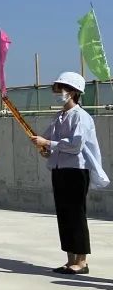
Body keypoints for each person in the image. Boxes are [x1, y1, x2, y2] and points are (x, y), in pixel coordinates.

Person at [32, 71, 109, 274]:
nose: (57, 93)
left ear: (73, 92)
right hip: (60, 169)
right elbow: (49, 141)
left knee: (76, 214)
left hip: (76, 170)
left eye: (61, 89)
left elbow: (74, 145)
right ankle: (70, 259)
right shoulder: (59, 116)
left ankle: (81, 261)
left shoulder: (81, 117)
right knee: (64, 214)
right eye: (56, 89)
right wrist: (45, 148)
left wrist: (47, 143)